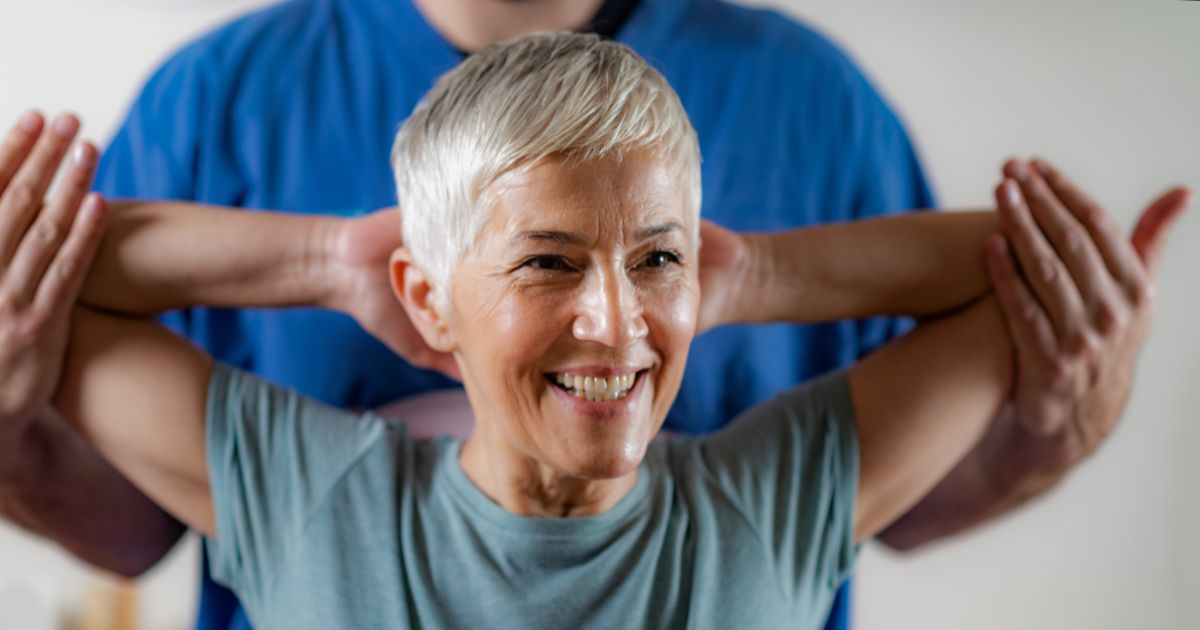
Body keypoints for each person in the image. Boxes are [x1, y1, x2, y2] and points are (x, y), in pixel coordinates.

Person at [0, 2, 1182, 629]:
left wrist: (742, 277)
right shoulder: (314, 499)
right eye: (550, 263)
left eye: (652, 258)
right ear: (429, 296)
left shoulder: (763, 509)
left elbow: (999, 288)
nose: (613, 324)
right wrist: (328, 259)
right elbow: (73, 310)